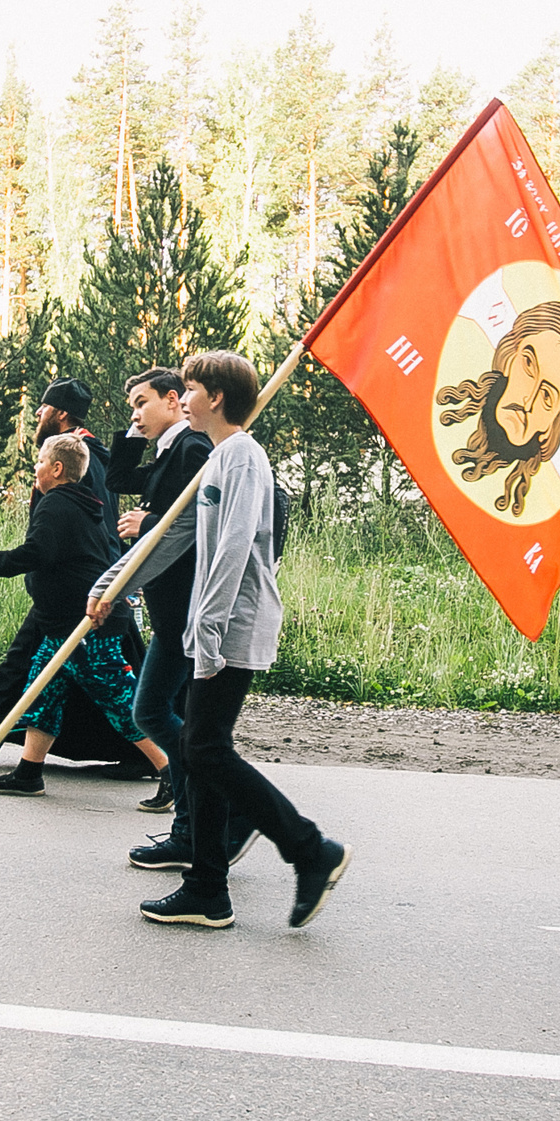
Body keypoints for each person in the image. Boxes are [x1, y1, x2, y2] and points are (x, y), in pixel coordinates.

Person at [104, 350, 348, 931]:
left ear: (214, 398)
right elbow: (174, 539)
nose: (181, 397)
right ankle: (208, 887)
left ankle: (309, 850)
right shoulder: (217, 458)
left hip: (232, 627)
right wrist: (112, 585)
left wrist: (207, 638)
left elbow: (233, 553)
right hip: (208, 629)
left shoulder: (242, 458)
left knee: (206, 749)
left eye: (188, 388)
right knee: (201, 749)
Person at [0, 376, 146, 770]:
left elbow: (86, 530)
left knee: (101, 683)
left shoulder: (81, 459)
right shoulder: (89, 455)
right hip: (79, 584)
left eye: (44, 408)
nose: (37, 413)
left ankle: (153, 758)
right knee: (46, 673)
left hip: (79, 589)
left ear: (61, 414)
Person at [93, 367, 256, 870]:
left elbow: (191, 526)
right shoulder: (169, 450)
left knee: (172, 723)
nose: (136, 413)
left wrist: (148, 522)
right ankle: (203, 821)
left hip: (188, 605)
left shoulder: (193, 449)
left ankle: (215, 819)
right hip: (170, 607)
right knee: (176, 725)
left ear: (173, 400)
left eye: (143, 402)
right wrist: (132, 432)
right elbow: (119, 478)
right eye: (131, 407)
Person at [0, 432, 170, 797]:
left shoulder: (56, 503)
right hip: (62, 624)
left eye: (40, 462)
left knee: (117, 699)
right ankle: (28, 773)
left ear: (57, 468)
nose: (36, 468)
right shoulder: (80, 502)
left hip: (87, 625)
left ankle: (173, 772)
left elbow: (36, 553)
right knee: (42, 694)